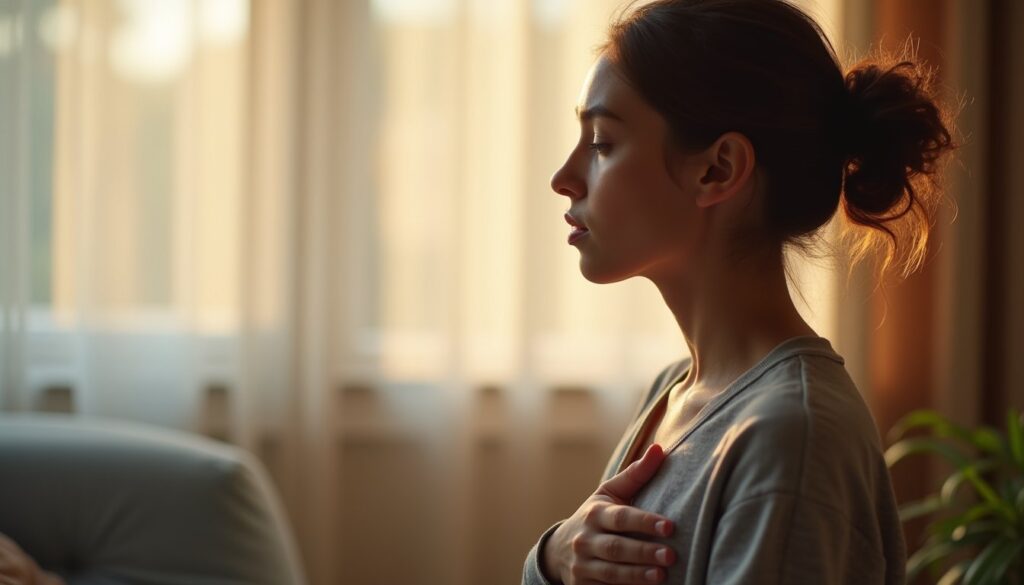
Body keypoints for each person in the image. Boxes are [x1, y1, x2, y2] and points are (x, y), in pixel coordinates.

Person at [522, 0, 955, 584]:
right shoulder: (675, 392)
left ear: (718, 169)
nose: (564, 178)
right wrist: (553, 557)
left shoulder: (793, 440)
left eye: (601, 143)